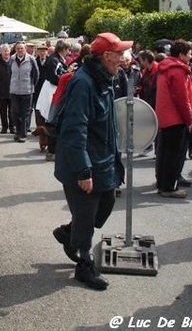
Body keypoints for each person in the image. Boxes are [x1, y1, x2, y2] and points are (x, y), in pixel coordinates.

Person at [52, 32, 131, 291]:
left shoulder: (105, 77)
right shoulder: (83, 83)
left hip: (104, 159)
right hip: (84, 162)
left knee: (105, 206)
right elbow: (76, 130)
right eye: (119, 54)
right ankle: (84, 265)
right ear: (106, 56)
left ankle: (68, 234)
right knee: (86, 216)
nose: (123, 58)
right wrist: (83, 169)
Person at [154, 39, 192, 198]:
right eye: (189, 54)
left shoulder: (165, 67)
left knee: (164, 154)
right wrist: (189, 119)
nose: (190, 57)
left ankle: (162, 184)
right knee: (175, 156)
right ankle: (169, 187)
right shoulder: (178, 70)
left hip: (165, 116)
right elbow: (182, 98)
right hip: (176, 118)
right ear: (181, 54)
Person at [10, 41, 38, 143]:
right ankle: (17, 131)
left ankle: (23, 134)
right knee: (14, 112)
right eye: (18, 48)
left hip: (27, 91)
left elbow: (36, 74)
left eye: (22, 48)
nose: (20, 50)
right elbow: (9, 73)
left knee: (25, 113)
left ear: (25, 49)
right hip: (14, 91)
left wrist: (31, 85)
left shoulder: (31, 59)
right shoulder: (12, 59)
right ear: (15, 49)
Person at [0, 43, 14, 134]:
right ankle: (4, 127)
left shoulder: (13, 61)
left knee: (12, 110)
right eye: (4, 51)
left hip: (12, 89)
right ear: (0, 52)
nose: (6, 53)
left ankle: (12, 127)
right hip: (1, 90)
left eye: (7, 51)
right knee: (2, 110)